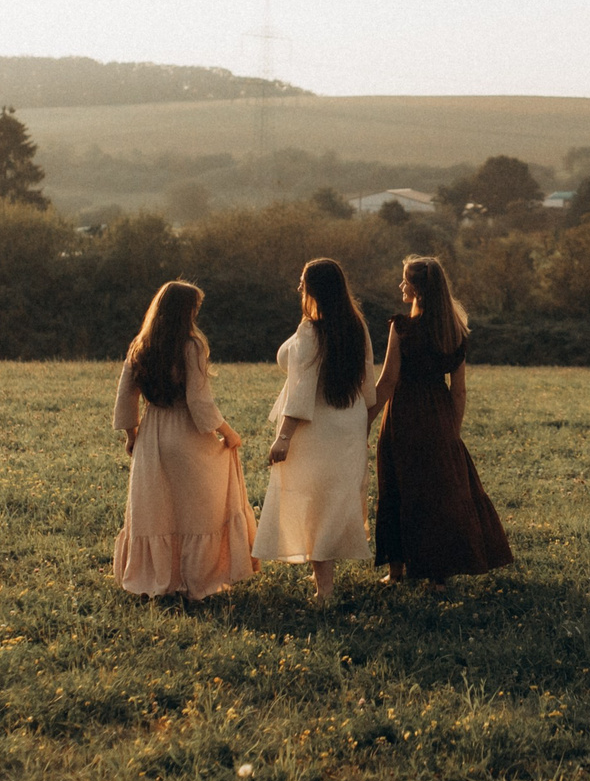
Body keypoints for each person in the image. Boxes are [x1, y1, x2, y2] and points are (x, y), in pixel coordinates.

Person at [111, 280, 255, 600]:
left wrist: (132, 436)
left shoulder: (141, 344)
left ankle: (160, 576)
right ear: (186, 311)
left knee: (159, 509)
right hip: (186, 433)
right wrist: (228, 434)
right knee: (199, 509)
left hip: (152, 433)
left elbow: (126, 396)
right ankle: (196, 577)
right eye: (195, 308)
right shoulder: (191, 345)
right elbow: (199, 402)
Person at [373, 254, 512, 585]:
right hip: (439, 416)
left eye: (405, 280)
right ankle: (438, 574)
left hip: (403, 413)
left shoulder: (402, 328)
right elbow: (459, 390)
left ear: (417, 289)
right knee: (438, 494)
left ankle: (396, 572)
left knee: (396, 486)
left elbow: (388, 380)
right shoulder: (455, 331)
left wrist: (365, 418)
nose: (400, 285)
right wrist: (451, 430)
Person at [253, 257, 377, 600]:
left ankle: (325, 590)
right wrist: (363, 421)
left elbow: (301, 390)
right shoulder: (357, 325)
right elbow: (367, 383)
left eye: (302, 282)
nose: (298, 288)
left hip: (316, 427)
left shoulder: (311, 330)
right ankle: (324, 580)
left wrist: (284, 437)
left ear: (314, 289)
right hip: (349, 420)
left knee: (315, 500)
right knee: (334, 499)